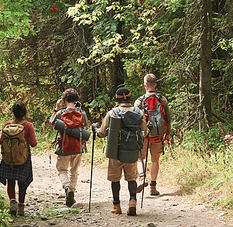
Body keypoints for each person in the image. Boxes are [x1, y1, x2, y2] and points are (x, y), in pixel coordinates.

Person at [93, 87, 147, 216]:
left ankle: (116, 206)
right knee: (132, 178)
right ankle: (132, 201)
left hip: (115, 152)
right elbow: (145, 132)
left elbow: (101, 133)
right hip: (132, 151)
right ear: (129, 97)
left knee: (115, 179)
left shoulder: (112, 113)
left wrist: (95, 128)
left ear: (117, 98)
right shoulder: (138, 112)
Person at [50, 88, 89, 207]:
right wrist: (79, 111)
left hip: (63, 147)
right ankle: (72, 190)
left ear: (64, 100)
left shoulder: (60, 113)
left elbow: (51, 122)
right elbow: (85, 126)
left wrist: (56, 108)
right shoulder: (81, 113)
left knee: (62, 170)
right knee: (74, 171)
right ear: (76, 99)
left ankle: (67, 187)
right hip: (77, 147)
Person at [0, 101, 38, 216]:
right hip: (23, 158)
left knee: (10, 181)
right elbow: (34, 143)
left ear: (13, 112)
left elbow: (1, 141)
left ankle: (12, 203)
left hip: (8, 158)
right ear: (25, 112)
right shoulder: (28, 125)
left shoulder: (7, 124)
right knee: (22, 183)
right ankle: (21, 207)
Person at [135, 74, 171, 196]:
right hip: (159, 135)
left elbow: (135, 120)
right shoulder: (162, 99)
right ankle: (153, 187)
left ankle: (142, 178)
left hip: (144, 135)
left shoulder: (139, 101)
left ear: (144, 85)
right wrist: (168, 133)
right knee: (155, 160)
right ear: (155, 84)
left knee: (140, 158)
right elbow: (168, 118)